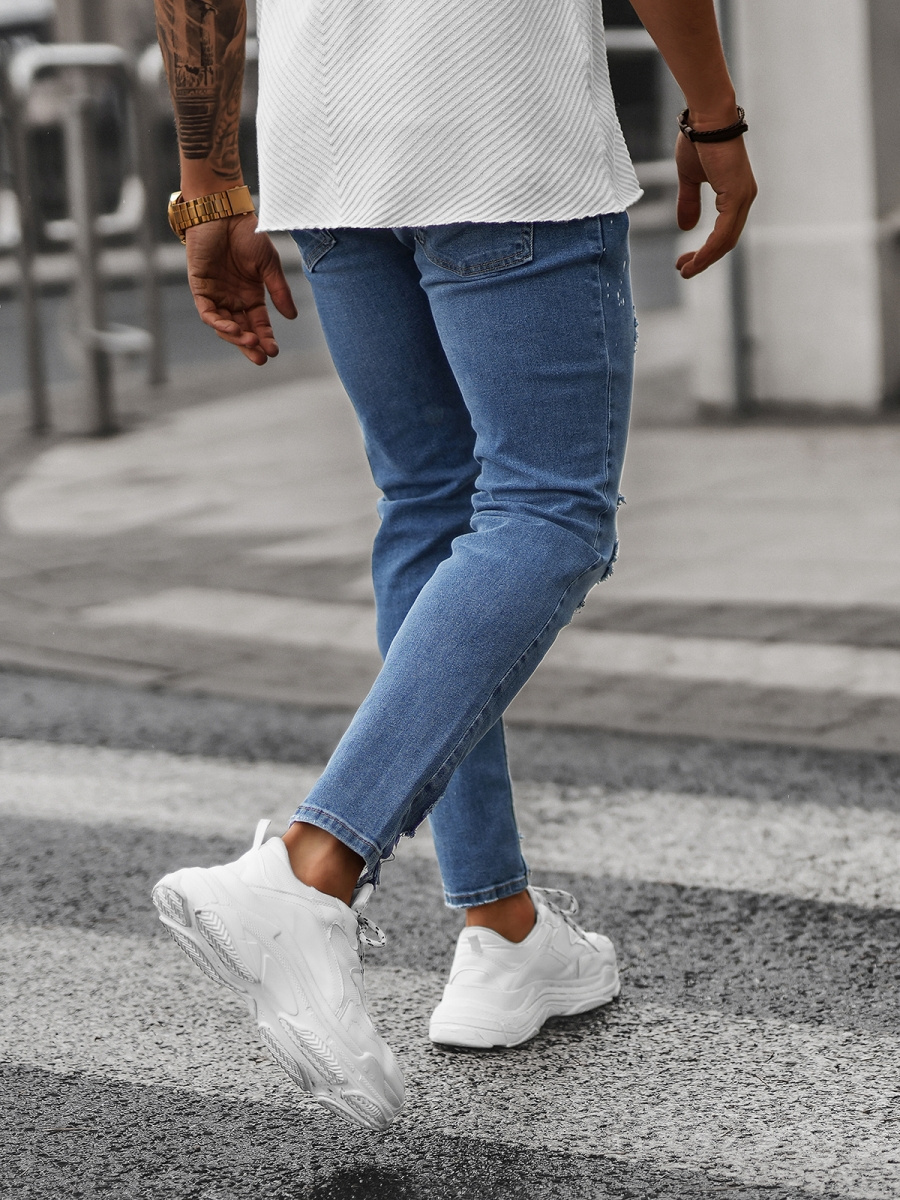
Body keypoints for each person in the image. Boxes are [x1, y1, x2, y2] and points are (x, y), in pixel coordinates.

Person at [151, 0, 756, 1131]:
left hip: (329, 146)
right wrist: (715, 117)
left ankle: (502, 932)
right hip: (499, 132)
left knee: (430, 513)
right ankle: (313, 865)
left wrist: (211, 188)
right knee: (549, 513)